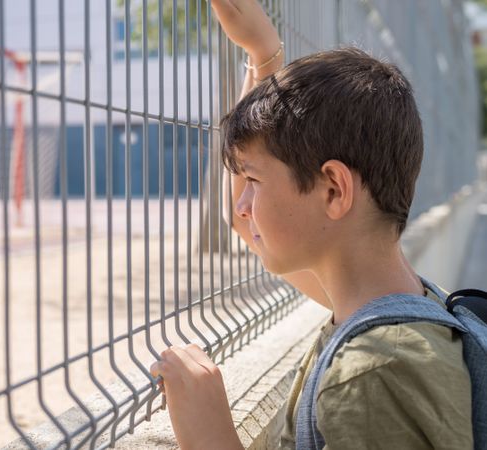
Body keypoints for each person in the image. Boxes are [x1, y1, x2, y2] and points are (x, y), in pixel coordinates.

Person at [149, 1, 473, 449]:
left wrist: (212, 438)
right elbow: (245, 223)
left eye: (255, 180)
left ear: (334, 191)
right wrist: (264, 58)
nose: (242, 205)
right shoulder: (394, 306)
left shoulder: (373, 374)